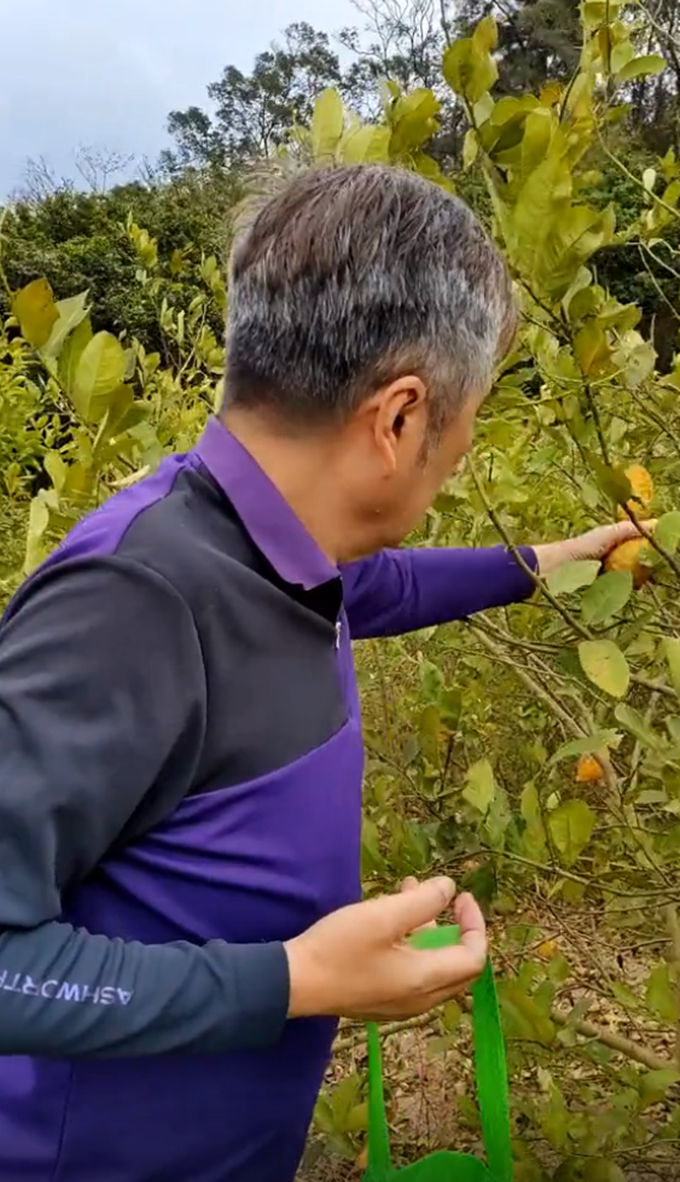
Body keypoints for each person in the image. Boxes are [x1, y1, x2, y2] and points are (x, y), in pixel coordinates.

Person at [0, 164, 640, 1182]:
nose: (461, 451)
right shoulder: (133, 601)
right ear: (397, 418)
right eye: (464, 421)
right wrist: (295, 979)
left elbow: (378, 588)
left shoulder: (284, 551)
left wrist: (546, 566)